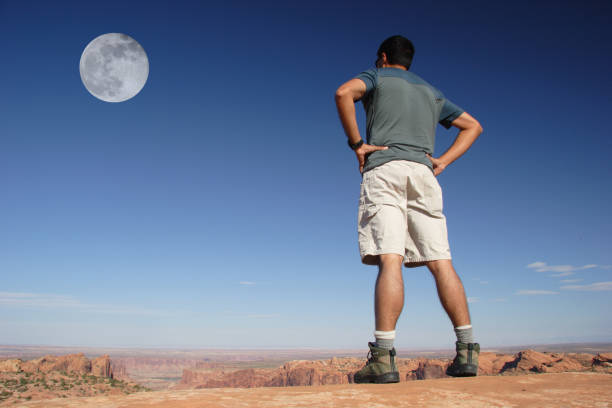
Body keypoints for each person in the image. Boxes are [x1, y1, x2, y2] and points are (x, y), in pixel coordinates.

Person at [334, 35, 483, 383]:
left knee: (390, 258)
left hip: (385, 169)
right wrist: (442, 160)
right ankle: (467, 352)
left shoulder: (376, 76)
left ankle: (383, 360)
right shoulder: (432, 92)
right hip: (423, 174)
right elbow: (473, 126)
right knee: (441, 261)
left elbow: (344, 93)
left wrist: (357, 144)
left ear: (383, 57)